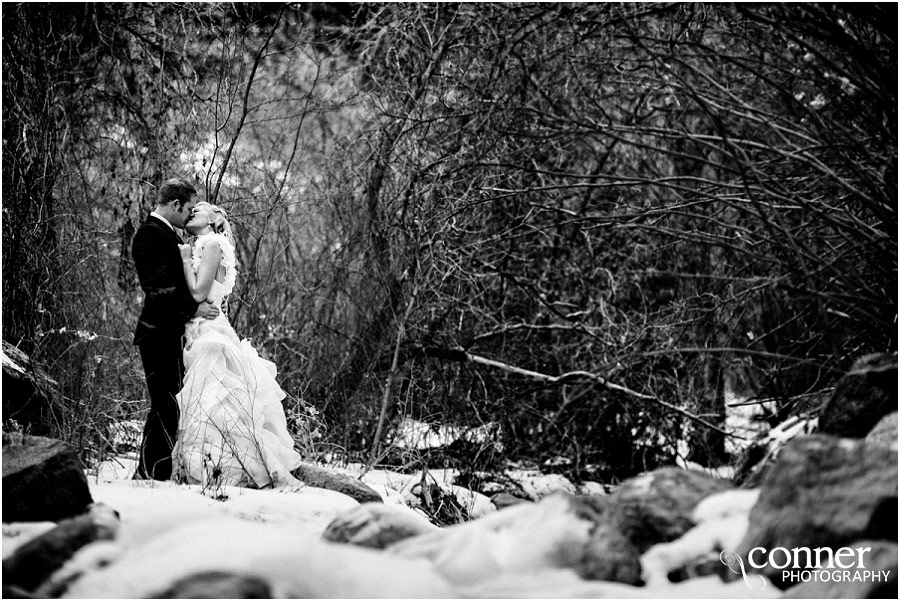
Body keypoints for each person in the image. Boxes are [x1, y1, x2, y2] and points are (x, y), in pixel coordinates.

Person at [172, 201, 302, 488]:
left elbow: (198, 292)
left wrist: (182, 259)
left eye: (200, 208)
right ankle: (208, 467)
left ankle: (224, 469)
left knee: (215, 399)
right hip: (202, 327)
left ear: (216, 218)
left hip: (209, 333)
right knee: (208, 399)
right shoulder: (206, 244)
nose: (192, 210)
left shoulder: (212, 243)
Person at [132, 178, 220, 480]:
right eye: (188, 209)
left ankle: (152, 472)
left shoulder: (168, 235)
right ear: (175, 205)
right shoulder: (149, 235)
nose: (190, 215)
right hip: (156, 332)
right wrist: (194, 308)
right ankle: (151, 474)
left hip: (170, 332)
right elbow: (157, 288)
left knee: (169, 404)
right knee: (165, 404)